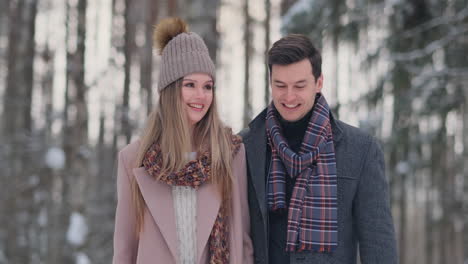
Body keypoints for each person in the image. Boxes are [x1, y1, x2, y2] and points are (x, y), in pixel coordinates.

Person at [240, 34, 397, 264]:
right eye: (280, 85)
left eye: (300, 86)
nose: (289, 96)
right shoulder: (245, 146)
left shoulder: (361, 150)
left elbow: (378, 245)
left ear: (319, 82)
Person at [113, 17, 253, 264]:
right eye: (190, 85)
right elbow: (125, 249)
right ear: (170, 90)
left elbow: (241, 240)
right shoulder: (134, 160)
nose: (201, 96)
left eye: (208, 86)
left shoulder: (229, 153)